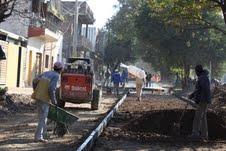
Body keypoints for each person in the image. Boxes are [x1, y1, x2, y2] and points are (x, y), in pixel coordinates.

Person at [32, 62, 63, 143]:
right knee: (43, 118)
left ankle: (40, 135)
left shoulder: (46, 73)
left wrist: (36, 90)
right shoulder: (56, 76)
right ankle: (38, 137)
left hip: (38, 97)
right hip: (44, 98)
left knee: (41, 118)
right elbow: (51, 89)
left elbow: (34, 81)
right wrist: (54, 101)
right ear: (60, 70)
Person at [188, 64, 211, 141]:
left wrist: (200, 99)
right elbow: (199, 89)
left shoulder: (202, 78)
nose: (196, 73)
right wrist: (193, 95)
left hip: (203, 101)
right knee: (203, 117)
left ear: (198, 71)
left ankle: (195, 134)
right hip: (204, 100)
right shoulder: (203, 77)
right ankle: (204, 135)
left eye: (196, 71)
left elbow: (204, 89)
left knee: (197, 118)